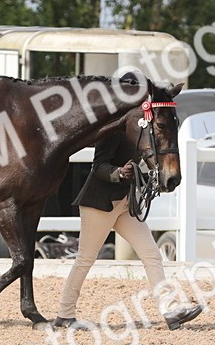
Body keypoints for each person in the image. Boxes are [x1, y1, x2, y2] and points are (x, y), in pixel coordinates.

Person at [55, 125, 203, 331]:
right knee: (85, 259)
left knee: (151, 254)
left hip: (125, 204)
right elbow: (98, 166)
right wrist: (119, 172)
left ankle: (169, 309)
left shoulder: (143, 133)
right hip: (99, 204)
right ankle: (65, 314)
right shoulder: (112, 130)